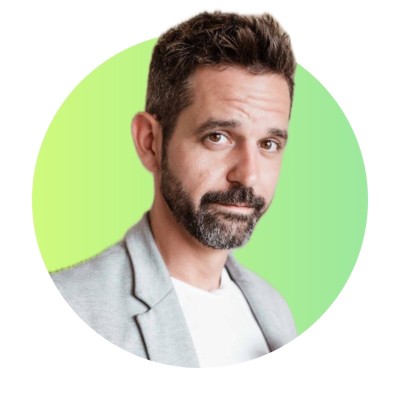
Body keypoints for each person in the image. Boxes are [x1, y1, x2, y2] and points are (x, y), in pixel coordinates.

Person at [51, 11, 297, 368]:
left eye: (269, 144)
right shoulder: (66, 310)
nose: (248, 176)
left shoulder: (275, 310)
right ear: (150, 142)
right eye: (218, 137)